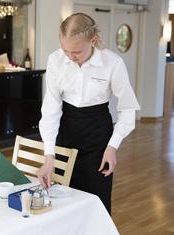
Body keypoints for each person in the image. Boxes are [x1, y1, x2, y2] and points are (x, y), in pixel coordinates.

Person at [37, 13, 140, 214]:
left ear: (93, 41)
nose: (70, 56)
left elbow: (128, 108)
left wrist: (113, 146)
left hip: (98, 139)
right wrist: (49, 157)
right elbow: (50, 111)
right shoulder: (55, 60)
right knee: (63, 201)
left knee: (97, 201)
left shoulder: (113, 63)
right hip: (66, 134)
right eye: (65, 50)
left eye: (76, 51)